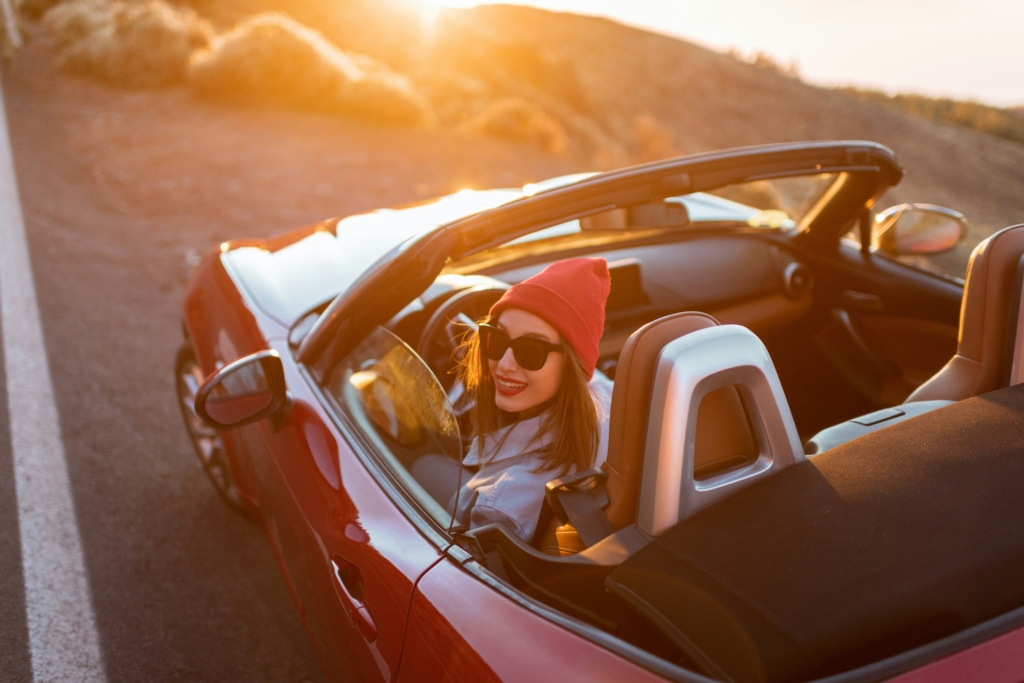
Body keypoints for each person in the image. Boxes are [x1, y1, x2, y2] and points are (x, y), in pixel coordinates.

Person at [452, 257, 613, 543]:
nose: (503, 365)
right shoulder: (608, 395)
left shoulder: (500, 505)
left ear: (572, 366)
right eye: (496, 339)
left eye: (531, 349)